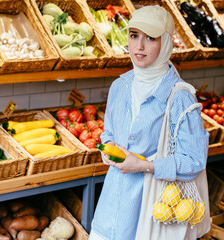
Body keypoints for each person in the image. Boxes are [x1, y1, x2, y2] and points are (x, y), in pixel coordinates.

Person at [89, 5, 210, 240]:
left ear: (165, 43)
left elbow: (194, 161)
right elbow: (109, 132)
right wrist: (108, 146)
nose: (139, 46)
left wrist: (146, 166)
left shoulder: (180, 97)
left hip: (153, 213)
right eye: (134, 35)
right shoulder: (120, 86)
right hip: (111, 208)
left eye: (150, 38)